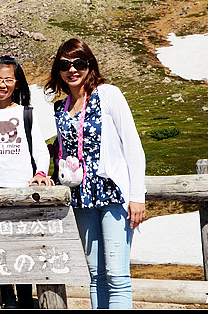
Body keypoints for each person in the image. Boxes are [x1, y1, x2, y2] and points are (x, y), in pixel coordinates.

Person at [44, 38, 146, 309]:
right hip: (81, 196)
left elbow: (133, 147)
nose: (72, 70)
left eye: (79, 63)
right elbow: (63, 152)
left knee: (117, 275)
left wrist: (137, 196)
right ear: (58, 70)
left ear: (90, 65)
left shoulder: (109, 94)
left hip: (112, 192)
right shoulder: (61, 107)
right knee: (96, 275)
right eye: (65, 65)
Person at [0, 55, 54, 309]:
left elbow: (40, 149)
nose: (2, 85)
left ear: (17, 83)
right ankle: (8, 298)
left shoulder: (26, 114)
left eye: (8, 79)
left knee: (23, 245)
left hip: (23, 190)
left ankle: (26, 299)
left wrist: (40, 173)